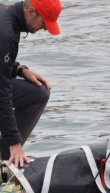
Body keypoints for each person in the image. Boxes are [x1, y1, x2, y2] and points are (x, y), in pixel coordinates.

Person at [0, 0, 61, 167]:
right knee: (38, 96)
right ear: (31, 11)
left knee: (38, 92)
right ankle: (8, 160)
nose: (45, 28)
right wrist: (14, 142)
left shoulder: (5, 14)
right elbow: (2, 93)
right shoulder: (6, 34)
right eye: (44, 23)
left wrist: (19, 69)